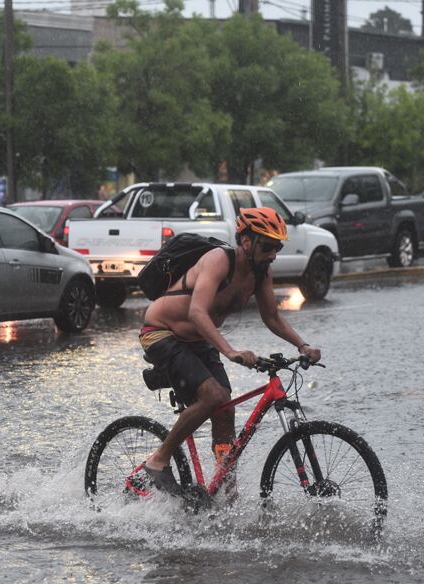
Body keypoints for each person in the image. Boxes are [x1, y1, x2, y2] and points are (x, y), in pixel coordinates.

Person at [136, 207, 322, 498]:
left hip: (198, 341)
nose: (273, 254)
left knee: (224, 409)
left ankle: (225, 490)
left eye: (278, 247)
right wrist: (230, 351)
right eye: (268, 246)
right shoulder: (218, 260)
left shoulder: (261, 273)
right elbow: (198, 312)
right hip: (161, 333)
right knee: (213, 396)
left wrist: (302, 345)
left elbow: (272, 317)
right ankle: (158, 460)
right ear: (246, 242)